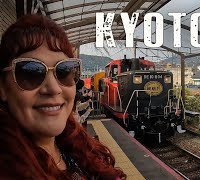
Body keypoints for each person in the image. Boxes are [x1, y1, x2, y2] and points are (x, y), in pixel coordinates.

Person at [0, 14, 126, 179]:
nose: (53, 89)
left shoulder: (77, 148)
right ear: (2, 87)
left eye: (64, 70)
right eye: (30, 73)